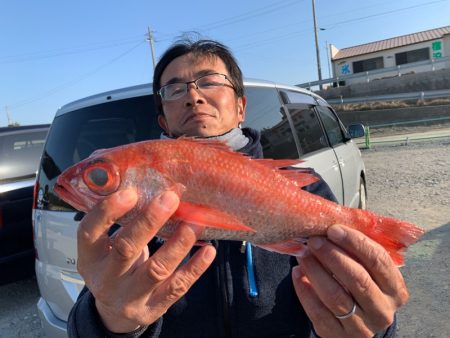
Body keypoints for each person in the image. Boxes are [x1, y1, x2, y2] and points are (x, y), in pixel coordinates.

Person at [68, 38, 408, 338]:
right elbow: (92, 309)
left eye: (209, 82)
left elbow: (358, 303)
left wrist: (370, 327)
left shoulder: (306, 186)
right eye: (174, 89)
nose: (193, 96)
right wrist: (109, 321)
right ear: (163, 121)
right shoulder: (125, 219)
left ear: (241, 107)